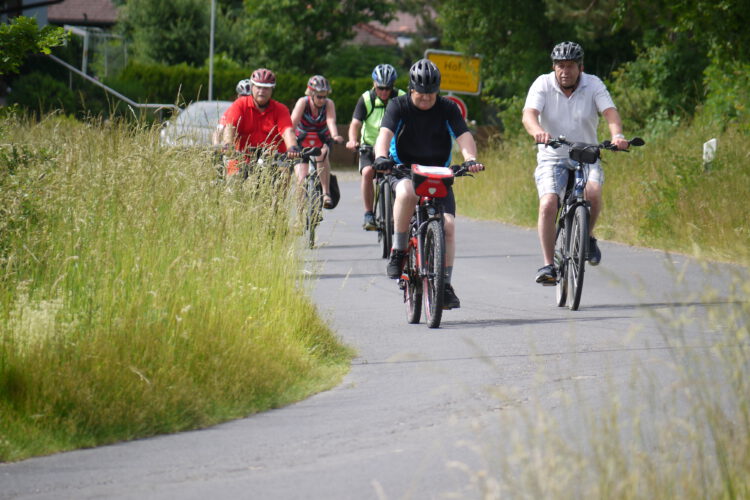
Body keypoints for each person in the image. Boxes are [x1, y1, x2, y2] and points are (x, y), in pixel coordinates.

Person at [373, 58, 484, 310]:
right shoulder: (397, 106)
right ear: (411, 89)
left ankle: (444, 285)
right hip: (403, 167)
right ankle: (399, 250)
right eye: (421, 94)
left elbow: (464, 136)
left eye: (430, 94)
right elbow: (385, 135)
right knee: (406, 193)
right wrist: (381, 157)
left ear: (438, 91)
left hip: (438, 172)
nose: (425, 99)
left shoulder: (447, 108)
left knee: (448, 226)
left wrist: (470, 159)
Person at [522, 41, 630, 285]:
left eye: (570, 66)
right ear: (554, 67)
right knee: (549, 203)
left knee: (592, 191)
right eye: (560, 66)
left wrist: (617, 135)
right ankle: (549, 265)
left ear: (581, 67)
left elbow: (610, 112)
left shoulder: (593, 84)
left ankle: (587, 237)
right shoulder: (542, 83)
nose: (565, 71)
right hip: (553, 156)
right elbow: (529, 114)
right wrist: (537, 131)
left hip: (586, 154)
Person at [346, 64, 405, 230]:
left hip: (394, 146)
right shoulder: (366, 99)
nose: (384, 92)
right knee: (367, 172)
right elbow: (355, 123)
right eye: (380, 88)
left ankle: (400, 212)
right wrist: (352, 140)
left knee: (401, 175)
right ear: (374, 84)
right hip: (369, 145)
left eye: (388, 88)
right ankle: (369, 214)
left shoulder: (401, 97)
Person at [220, 68, 299, 176]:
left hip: (273, 159)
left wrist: (292, 147)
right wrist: (228, 144)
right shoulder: (240, 104)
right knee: (233, 180)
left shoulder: (281, 109)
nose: (261, 91)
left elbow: (287, 131)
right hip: (241, 158)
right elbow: (230, 127)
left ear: (272, 89)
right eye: (258, 87)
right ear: (252, 87)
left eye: (266, 88)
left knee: (283, 176)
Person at [291, 75, 344, 209]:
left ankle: (326, 194)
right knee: (301, 178)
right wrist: (288, 138)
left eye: (324, 96)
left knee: (322, 155)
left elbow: (330, 121)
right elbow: (293, 122)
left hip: (321, 138)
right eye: (319, 96)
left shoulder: (329, 104)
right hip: (302, 140)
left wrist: (335, 135)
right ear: (311, 94)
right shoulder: (303, 102)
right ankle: (300, 213)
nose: (322, 100)